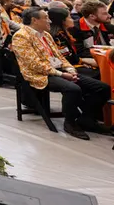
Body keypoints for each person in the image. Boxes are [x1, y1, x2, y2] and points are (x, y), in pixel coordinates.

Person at [12, 8, 111, 140]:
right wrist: (61, 74)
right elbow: (34, 64)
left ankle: (86, 119)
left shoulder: (46, 35)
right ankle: (70, 123)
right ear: (34, 20)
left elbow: (59, 56)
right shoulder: (21, 36)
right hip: (40, 74)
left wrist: (70, 69)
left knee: (102, 88)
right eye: (46, 18)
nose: (49, 21)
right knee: (73, 89)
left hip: (58, 70)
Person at [48, 6, 99, 78]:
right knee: (98, 72)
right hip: (65, 68)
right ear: (63, 21)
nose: (73, 20)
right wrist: (82, 61)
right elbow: (67, 58)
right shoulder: (57, 37)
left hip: (73, 63)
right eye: (69, 18)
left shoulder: (65, 32)